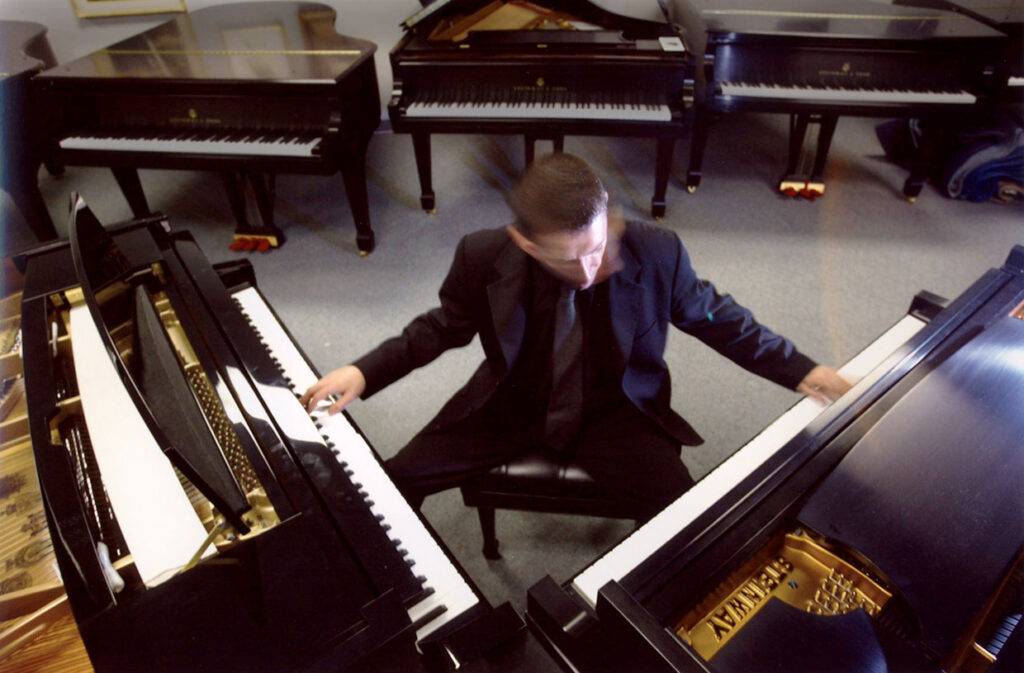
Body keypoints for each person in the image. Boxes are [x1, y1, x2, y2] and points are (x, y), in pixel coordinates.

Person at [301, 153, 850, 519]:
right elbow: (442, 327)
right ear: (525, 243)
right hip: (509, 406)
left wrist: (802, 369)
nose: (589, 271)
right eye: (568, 259)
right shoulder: (481, 254)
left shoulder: (657, 252)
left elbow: (719, 318)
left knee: (682, 516)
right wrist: (365, 371)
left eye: (596, 248)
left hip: (617, 413)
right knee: (391, 484)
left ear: (605, 208)